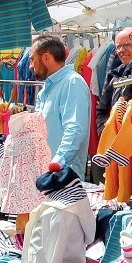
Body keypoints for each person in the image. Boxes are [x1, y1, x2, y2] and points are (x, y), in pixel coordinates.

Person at [29, 34, 92, 173]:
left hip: (62, 179)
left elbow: (74, 130)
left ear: (46, 58)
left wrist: (55, 166)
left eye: (32, 59)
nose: (30, 65)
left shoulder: (72, 83)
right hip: (47, 175)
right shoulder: (46, 90)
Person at [94, 25, 132, 125]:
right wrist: (105, 130)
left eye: (127, 45)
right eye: (118, 47)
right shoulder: (114, 76)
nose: (122, 50)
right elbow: (102, 110)